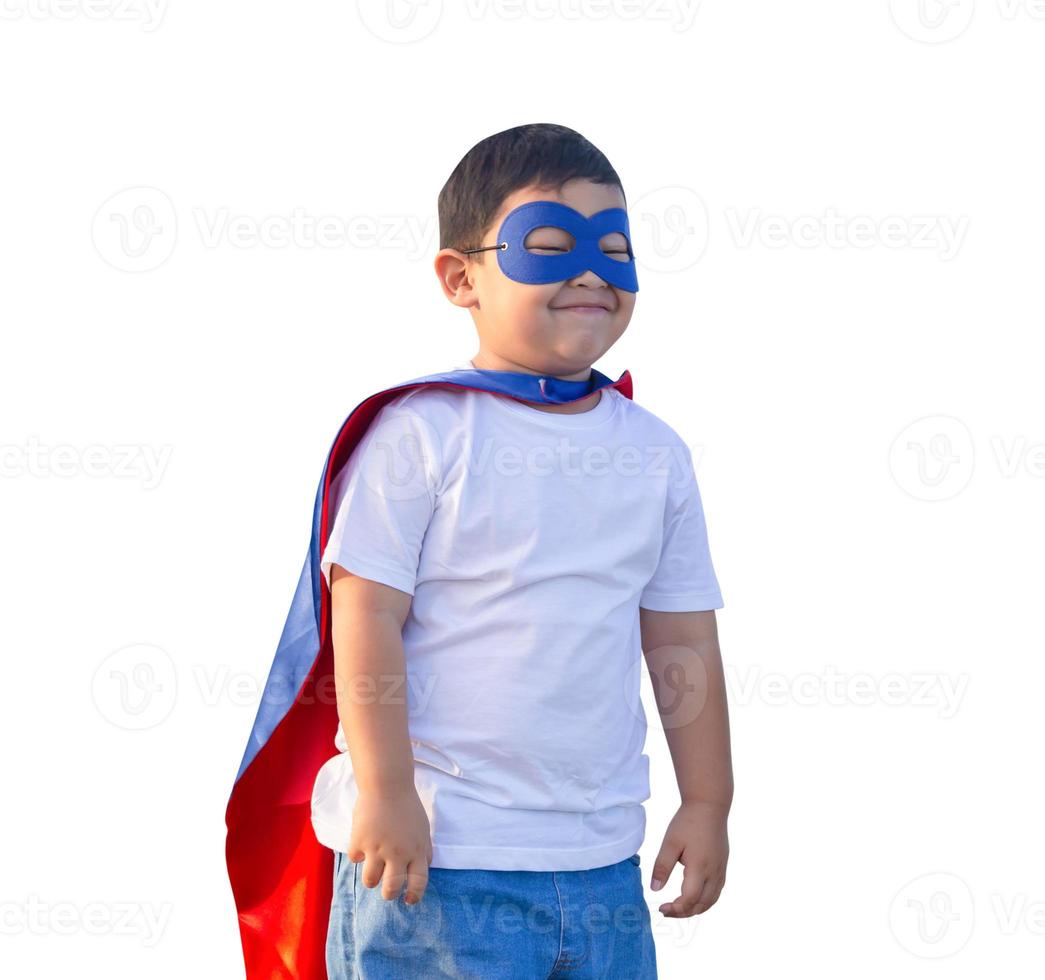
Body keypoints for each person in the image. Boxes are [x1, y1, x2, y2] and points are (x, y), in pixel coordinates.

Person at [227, 123, 732, 980]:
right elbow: (365, 619)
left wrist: (709, 801)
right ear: (462, 277)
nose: (591, 271)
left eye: (616, 248)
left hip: (603, 868)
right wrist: (386, 792)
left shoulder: (656, 453)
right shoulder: (420, 433)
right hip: (439, 867)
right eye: (546, 245)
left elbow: (682, 640)